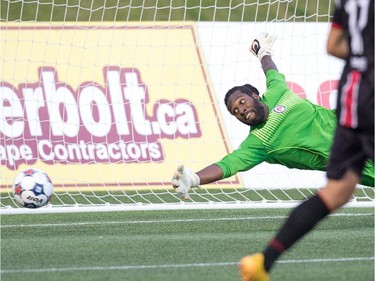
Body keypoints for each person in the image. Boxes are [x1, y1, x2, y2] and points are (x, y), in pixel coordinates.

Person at [238, 0, 374, 280]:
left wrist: (363, 57)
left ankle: (264, 261)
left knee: (337, 191)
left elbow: (334, 46)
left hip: (351, 98)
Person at [171, 31, 374, 201]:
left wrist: (262, 52)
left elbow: (271, 72)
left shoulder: (277, 92)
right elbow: (228, 165)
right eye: (235, 111)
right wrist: (194, 179)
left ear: (255, 96)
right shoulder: (259, 143)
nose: (240, 110)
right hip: (354, 160)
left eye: (241, 102)